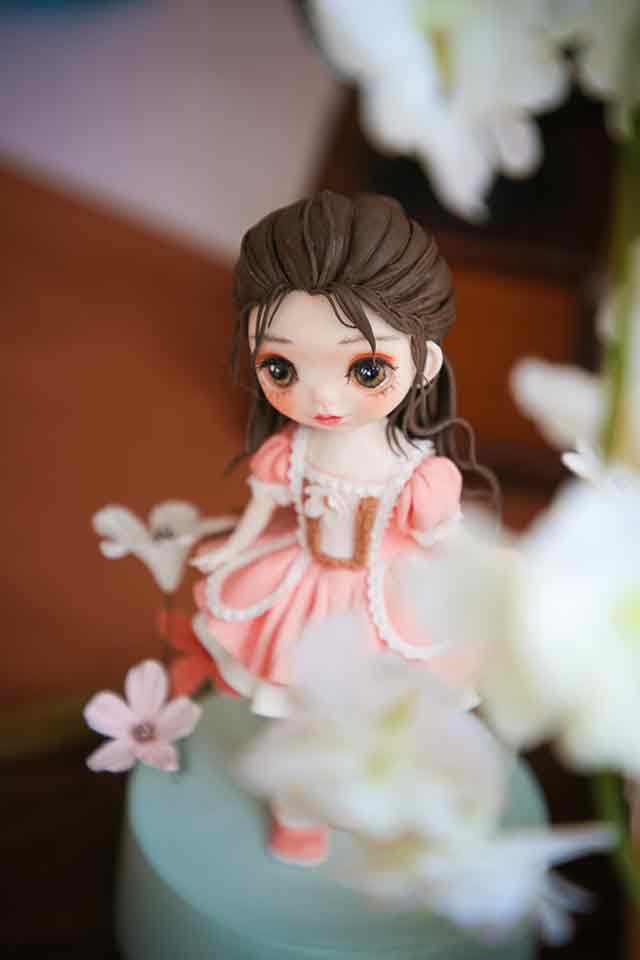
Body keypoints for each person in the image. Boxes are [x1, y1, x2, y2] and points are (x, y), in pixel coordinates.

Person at [191, 191, 497, 863]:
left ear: (425, 363)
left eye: (365, 370)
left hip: (383, 598)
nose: (322, 397)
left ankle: (380, 803)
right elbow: (262, 505)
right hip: (302, 583)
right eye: (282, 368)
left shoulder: (417, 474)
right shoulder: (291, 449)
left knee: (384, 719)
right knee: (299, 713)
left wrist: (483, 587)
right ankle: (299, 808)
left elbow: (448, 541)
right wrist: (233, 549)